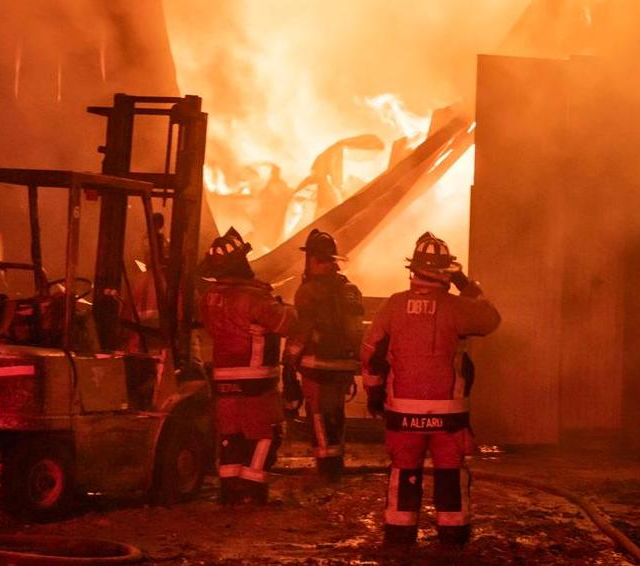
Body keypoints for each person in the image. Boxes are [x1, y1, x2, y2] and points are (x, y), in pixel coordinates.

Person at [360, 232, 501, 546]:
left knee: (403, 469)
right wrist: (466, 285)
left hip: (402, 411)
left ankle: (399, 537)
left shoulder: (393, 305)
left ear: (413, 270)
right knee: (450, 470)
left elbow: (370, 354)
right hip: (448, 414)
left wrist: (374, 394)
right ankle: (453, 538)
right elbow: (492, 319)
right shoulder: (457, 307)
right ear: (445, 272)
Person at [199, 227, 296, 504]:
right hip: (256, 378)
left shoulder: (208, 298)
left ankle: (230, 491)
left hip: (223, 377)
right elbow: (286, 323)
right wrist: (285, 307)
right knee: (266, 434)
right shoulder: (255, 297)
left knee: (231, 435)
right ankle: (253, 491)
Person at [282, 229, 364, 481]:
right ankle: (336, 462)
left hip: (317, 364)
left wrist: (289, 360)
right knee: (335, 413)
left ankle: (326, 468)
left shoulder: (308, 291)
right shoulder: (349, 289)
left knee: (318, 414)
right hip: (344, 365)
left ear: (313, 259)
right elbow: (356, 330)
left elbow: (302, 331)